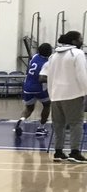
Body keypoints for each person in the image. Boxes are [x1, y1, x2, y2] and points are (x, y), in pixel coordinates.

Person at [40, 31, 87, 162]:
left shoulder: (53, 56)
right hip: (73, 94)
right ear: (74, 41)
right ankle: (75, 152)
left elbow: (49, 77)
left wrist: (52, 94)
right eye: (80, 38)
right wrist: (86, 92)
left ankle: (58, 152)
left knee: (58, 125)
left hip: (56, 95)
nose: (82, 41)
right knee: (76, 123)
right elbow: (82, 75)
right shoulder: (77, 54)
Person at [16, 42, 53, 135]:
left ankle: (21, 121)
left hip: (27, 87)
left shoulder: (35, 57)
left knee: (29, 109)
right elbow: (42, 78)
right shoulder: (47, 63)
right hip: (39, 88)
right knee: (47, 105)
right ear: (49, 52)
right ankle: (41, 128)